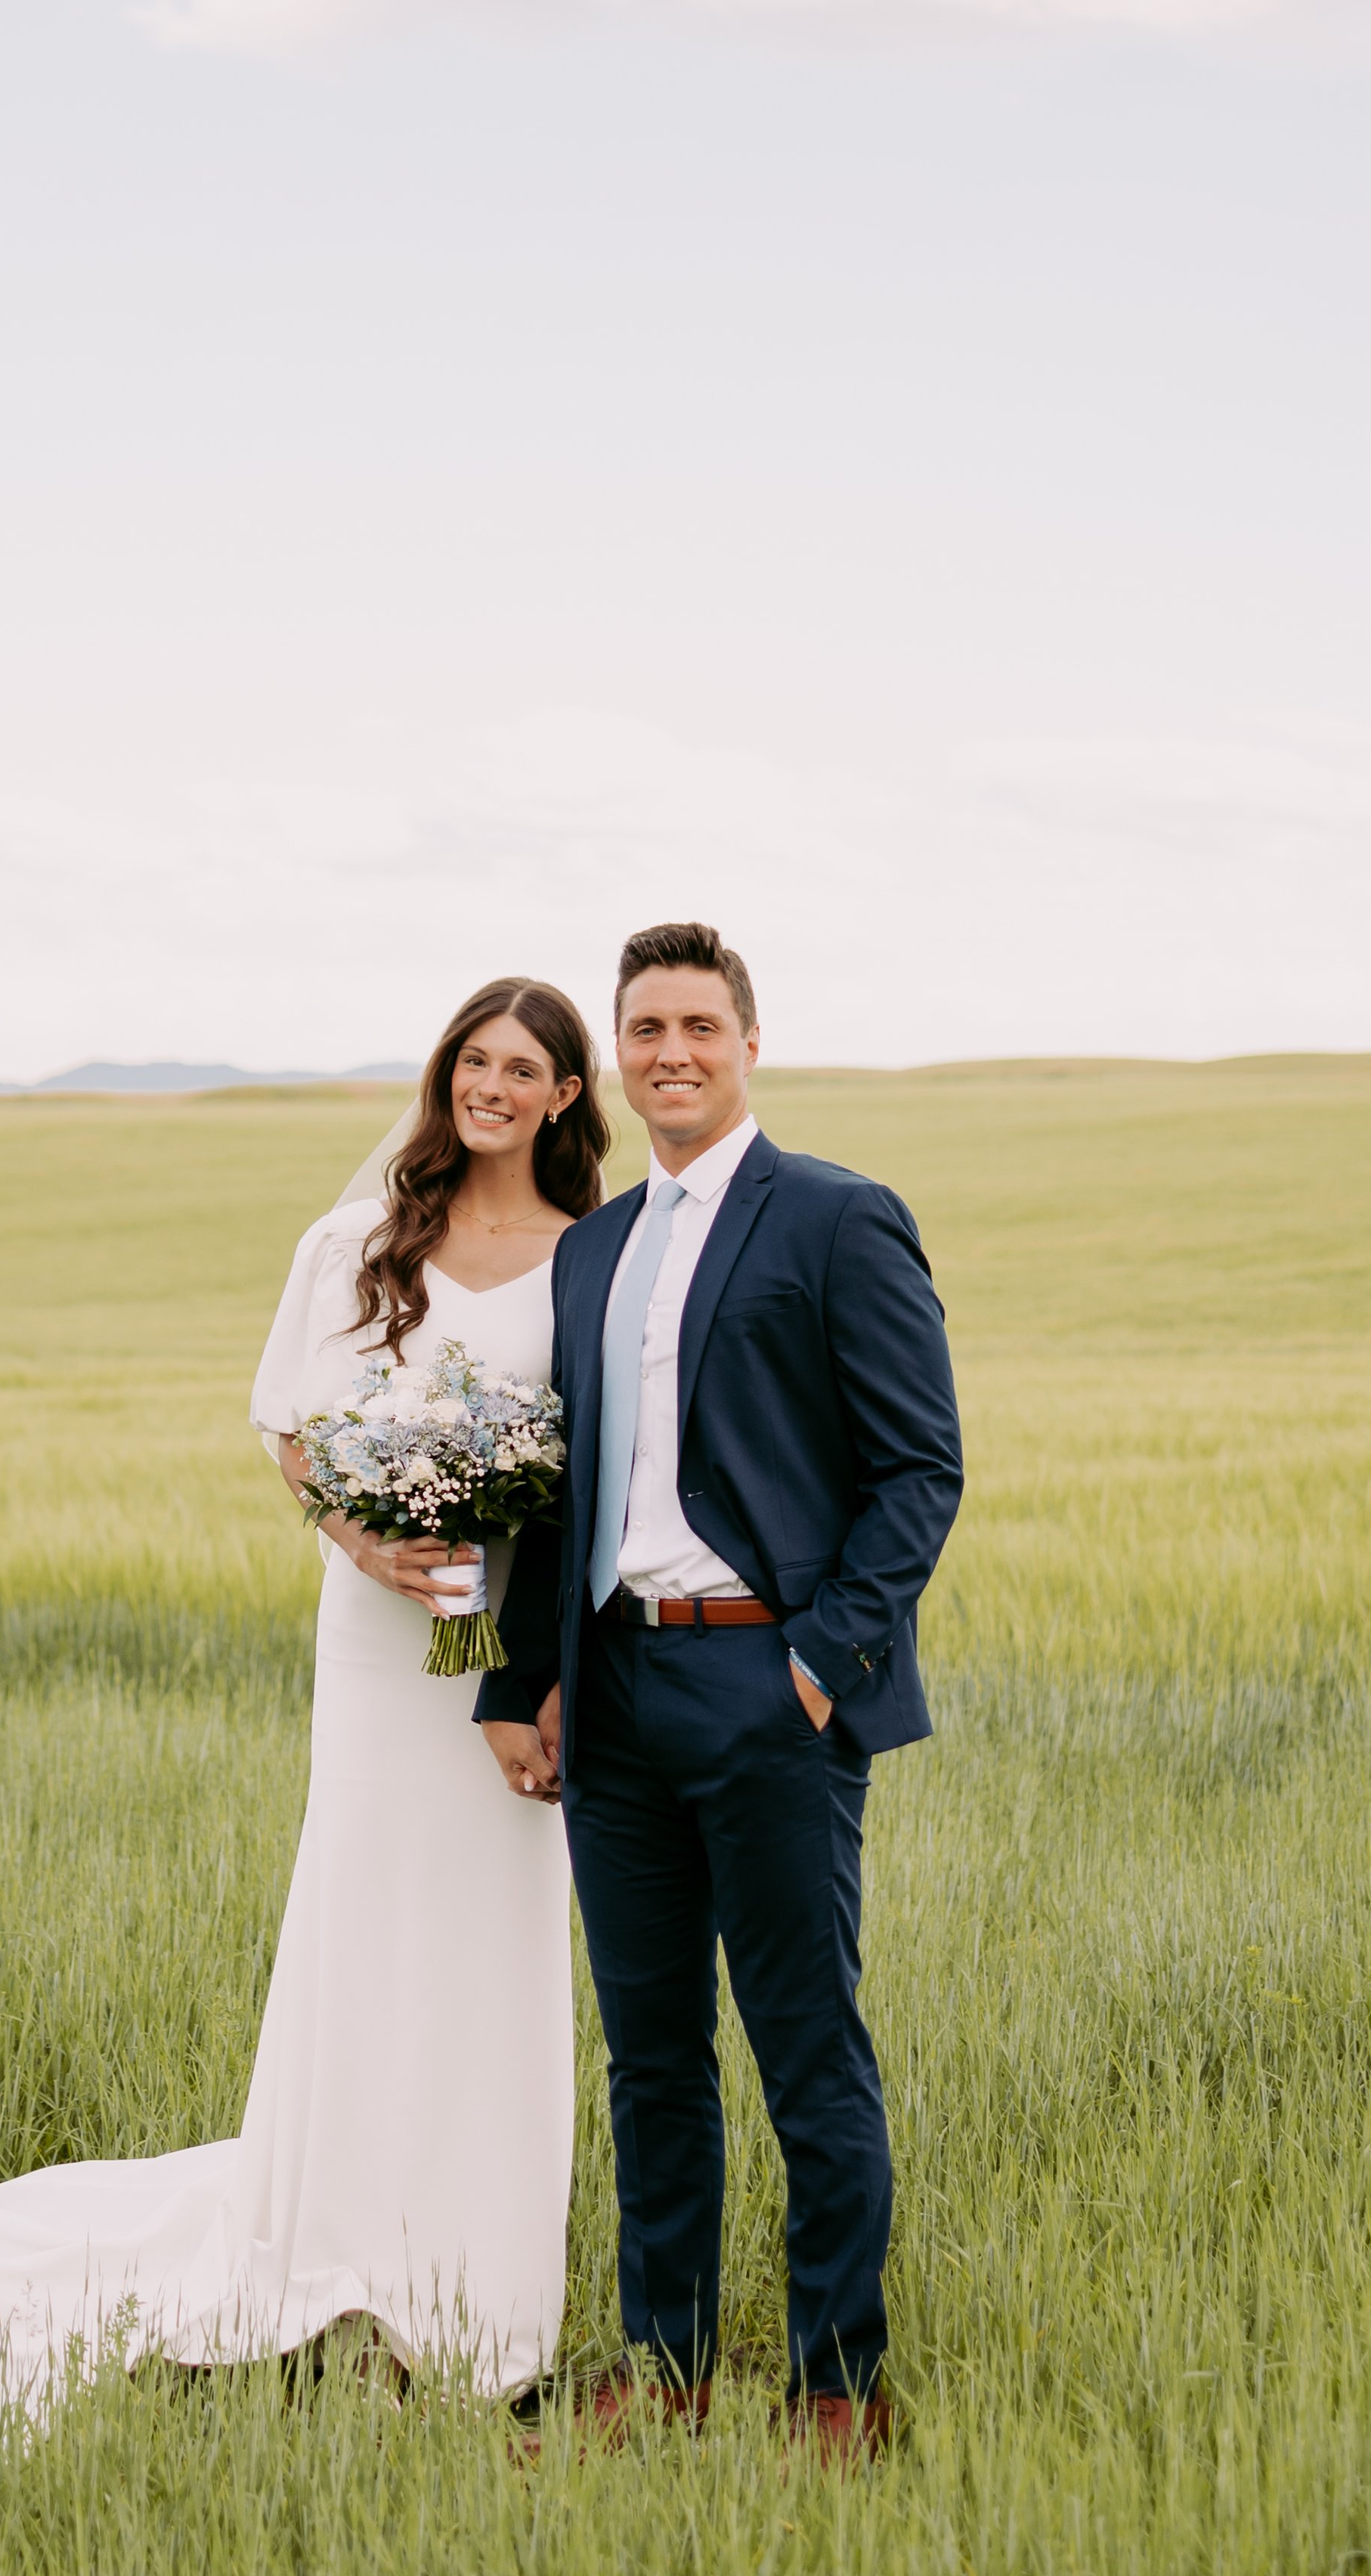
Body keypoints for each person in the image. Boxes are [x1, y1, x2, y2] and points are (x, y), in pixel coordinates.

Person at [0, 979, 608, 2436]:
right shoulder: (364, 1238)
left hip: (512, 1644)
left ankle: (477, 2292)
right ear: (447, 1075)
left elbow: (592, 1461)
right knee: (367, 1908)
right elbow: (296, 1429)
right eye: (473, 1060)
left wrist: (525, 1636)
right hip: (383, 1635)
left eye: (526, 1068)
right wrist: (368, 1537)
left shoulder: (587, 1258)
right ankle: (334, 2253)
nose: (493, 1085)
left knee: (496, 1929)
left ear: (567, 1094)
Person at [478, 923, 963, 2457]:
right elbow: (563, 1495)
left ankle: (834, 2384)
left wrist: (820, 1666)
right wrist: (520, 1679)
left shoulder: (834, 1218)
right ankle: (663, 2366)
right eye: (643, 1028)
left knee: (804, 2044)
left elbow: (916, 1468)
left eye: (697, 1024)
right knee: (653, 2056)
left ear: (748, 1042)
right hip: (616, 1701)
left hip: (768, 1690)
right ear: (614, 1059)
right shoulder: (591, 1248)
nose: (669, 1051)